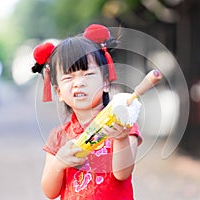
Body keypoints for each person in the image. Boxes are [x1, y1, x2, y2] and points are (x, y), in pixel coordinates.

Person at [32, 24, 142, 200]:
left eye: (88, 74)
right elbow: (49, 192)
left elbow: (122, 173)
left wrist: (121, 139)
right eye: (68, 77)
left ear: (106, 82)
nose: (78, 83)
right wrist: (59, 163)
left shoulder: (122, 124)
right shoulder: (59, 137)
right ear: (59, 92)